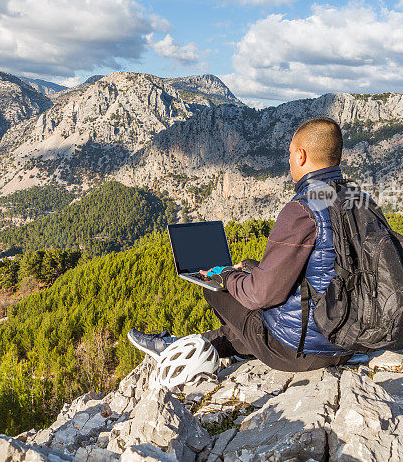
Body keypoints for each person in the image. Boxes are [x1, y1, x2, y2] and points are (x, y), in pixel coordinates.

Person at [129, 116, 358, 372]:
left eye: (290, 153)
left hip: (300, 350)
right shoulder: (356, 198)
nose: (289, 160)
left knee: (214, 285)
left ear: (302, 156)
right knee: (244, 299)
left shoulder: (301, 209)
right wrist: (253, 268)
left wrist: (225, 275)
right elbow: (325, 269)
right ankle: (189, 346)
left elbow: (260, 295)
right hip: (347, 341)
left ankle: (177, 351)